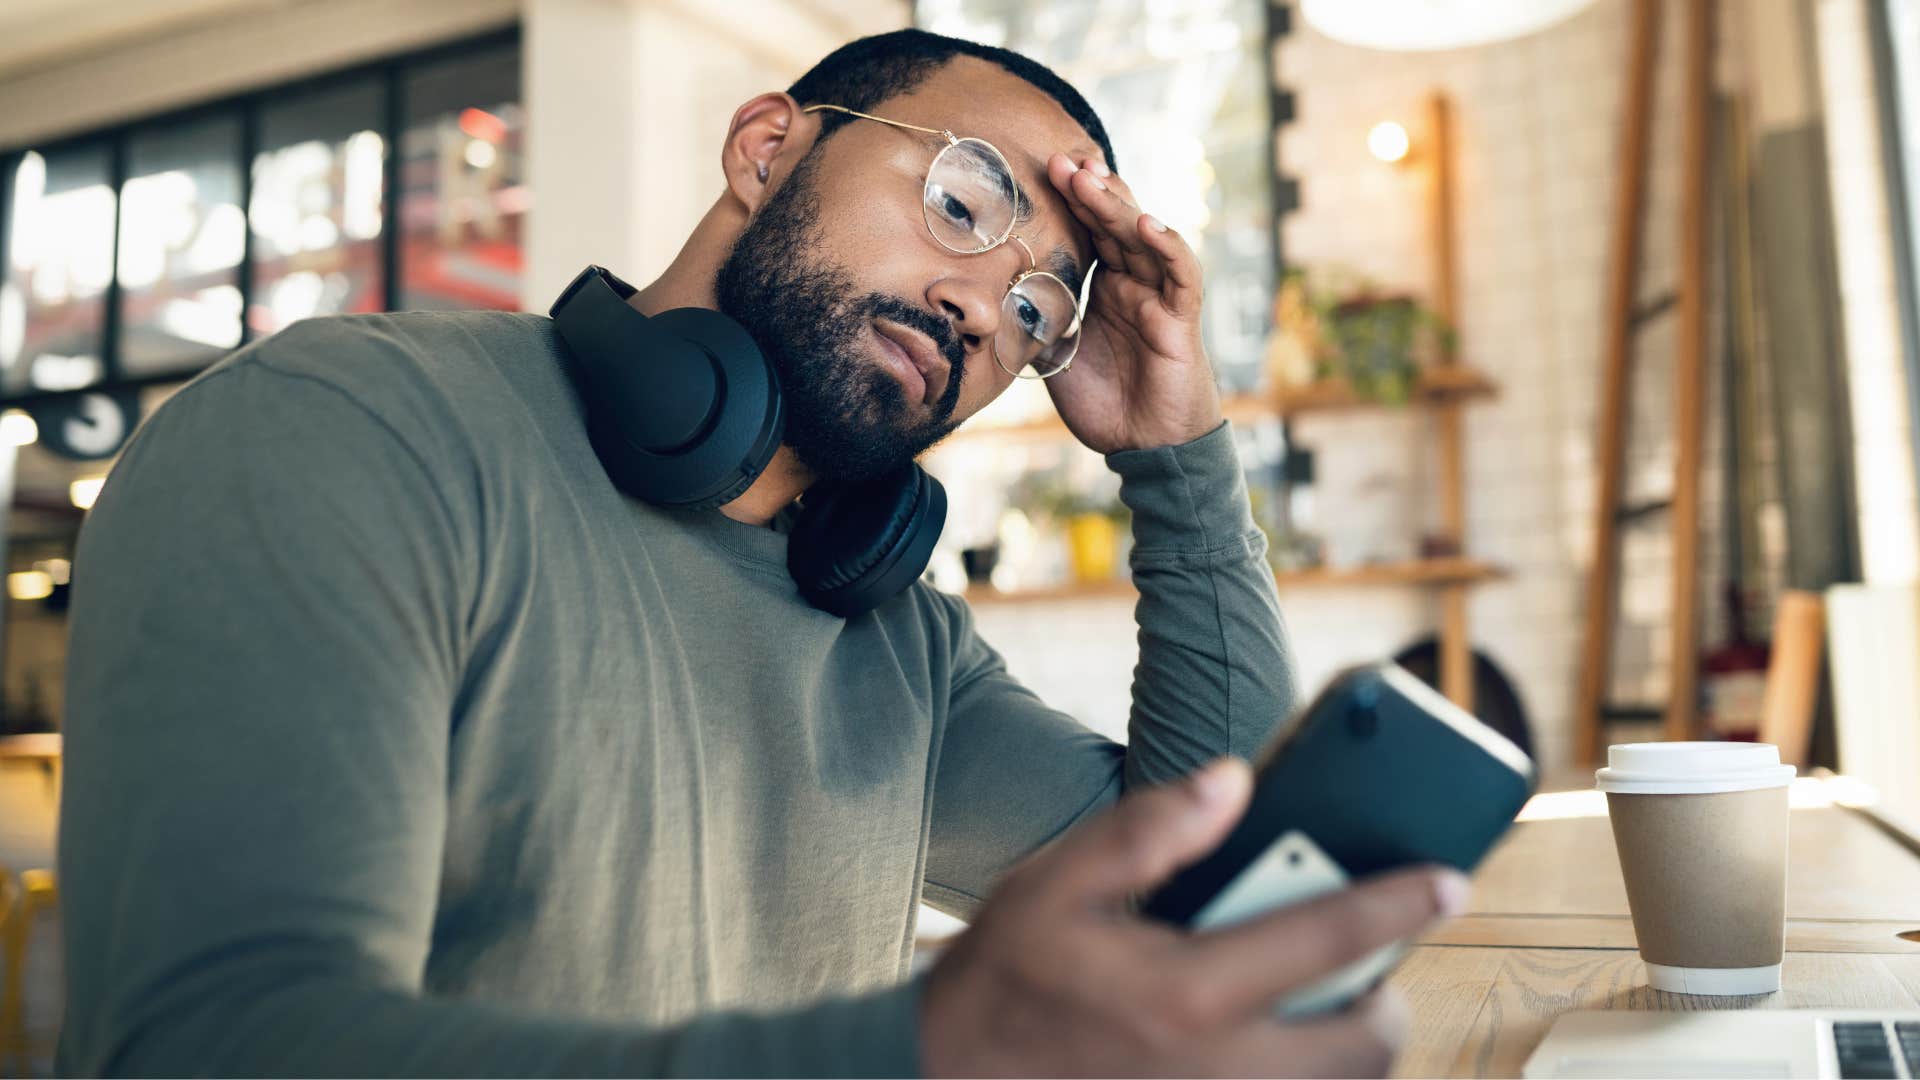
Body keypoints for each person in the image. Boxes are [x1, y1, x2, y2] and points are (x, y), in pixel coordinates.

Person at [55, 28, 1465, 1077]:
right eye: (963, 204)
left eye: (1040, 311)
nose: (986, 303)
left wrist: (1177, 458)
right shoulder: (349, 432)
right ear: (767, 149)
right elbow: (218, 1042)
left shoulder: (903, 649)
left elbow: (1204, 893)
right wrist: (921, 1051)